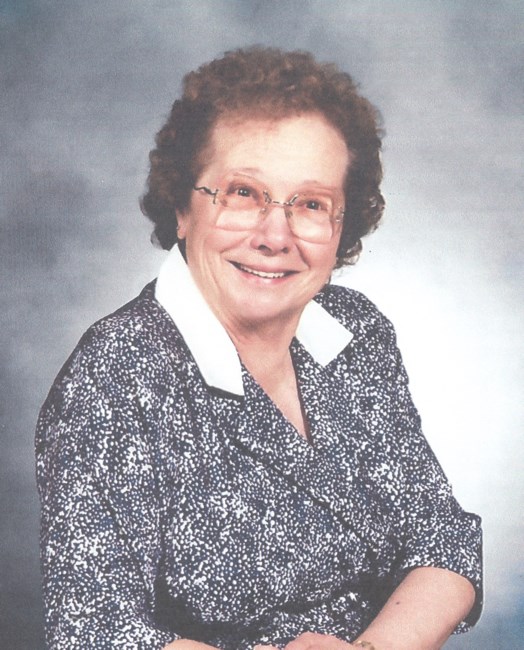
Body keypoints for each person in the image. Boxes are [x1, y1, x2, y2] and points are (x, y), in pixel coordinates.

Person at [36, 47, 482, 650]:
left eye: (311, 204)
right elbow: (95, 630)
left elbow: (442, 538)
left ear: (341, 226)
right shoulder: (116, 374)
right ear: (182, 207)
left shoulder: (354, 332)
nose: (275, 236)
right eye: (243, 193)